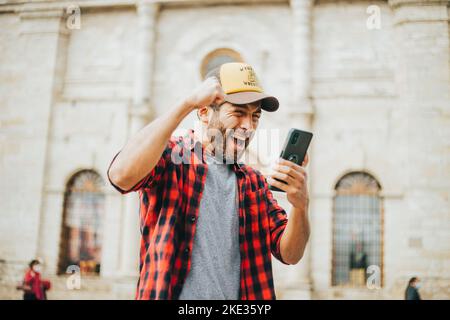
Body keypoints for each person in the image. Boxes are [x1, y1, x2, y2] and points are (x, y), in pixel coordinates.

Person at [107, 62, 310, 300]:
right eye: (238, 113)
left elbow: (291, 254)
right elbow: (120, 176)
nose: (249, 126)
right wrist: (187, 103)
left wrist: (300, 206)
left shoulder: (255, 183)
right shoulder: (172, 160)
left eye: (255, 117)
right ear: (204, 112)